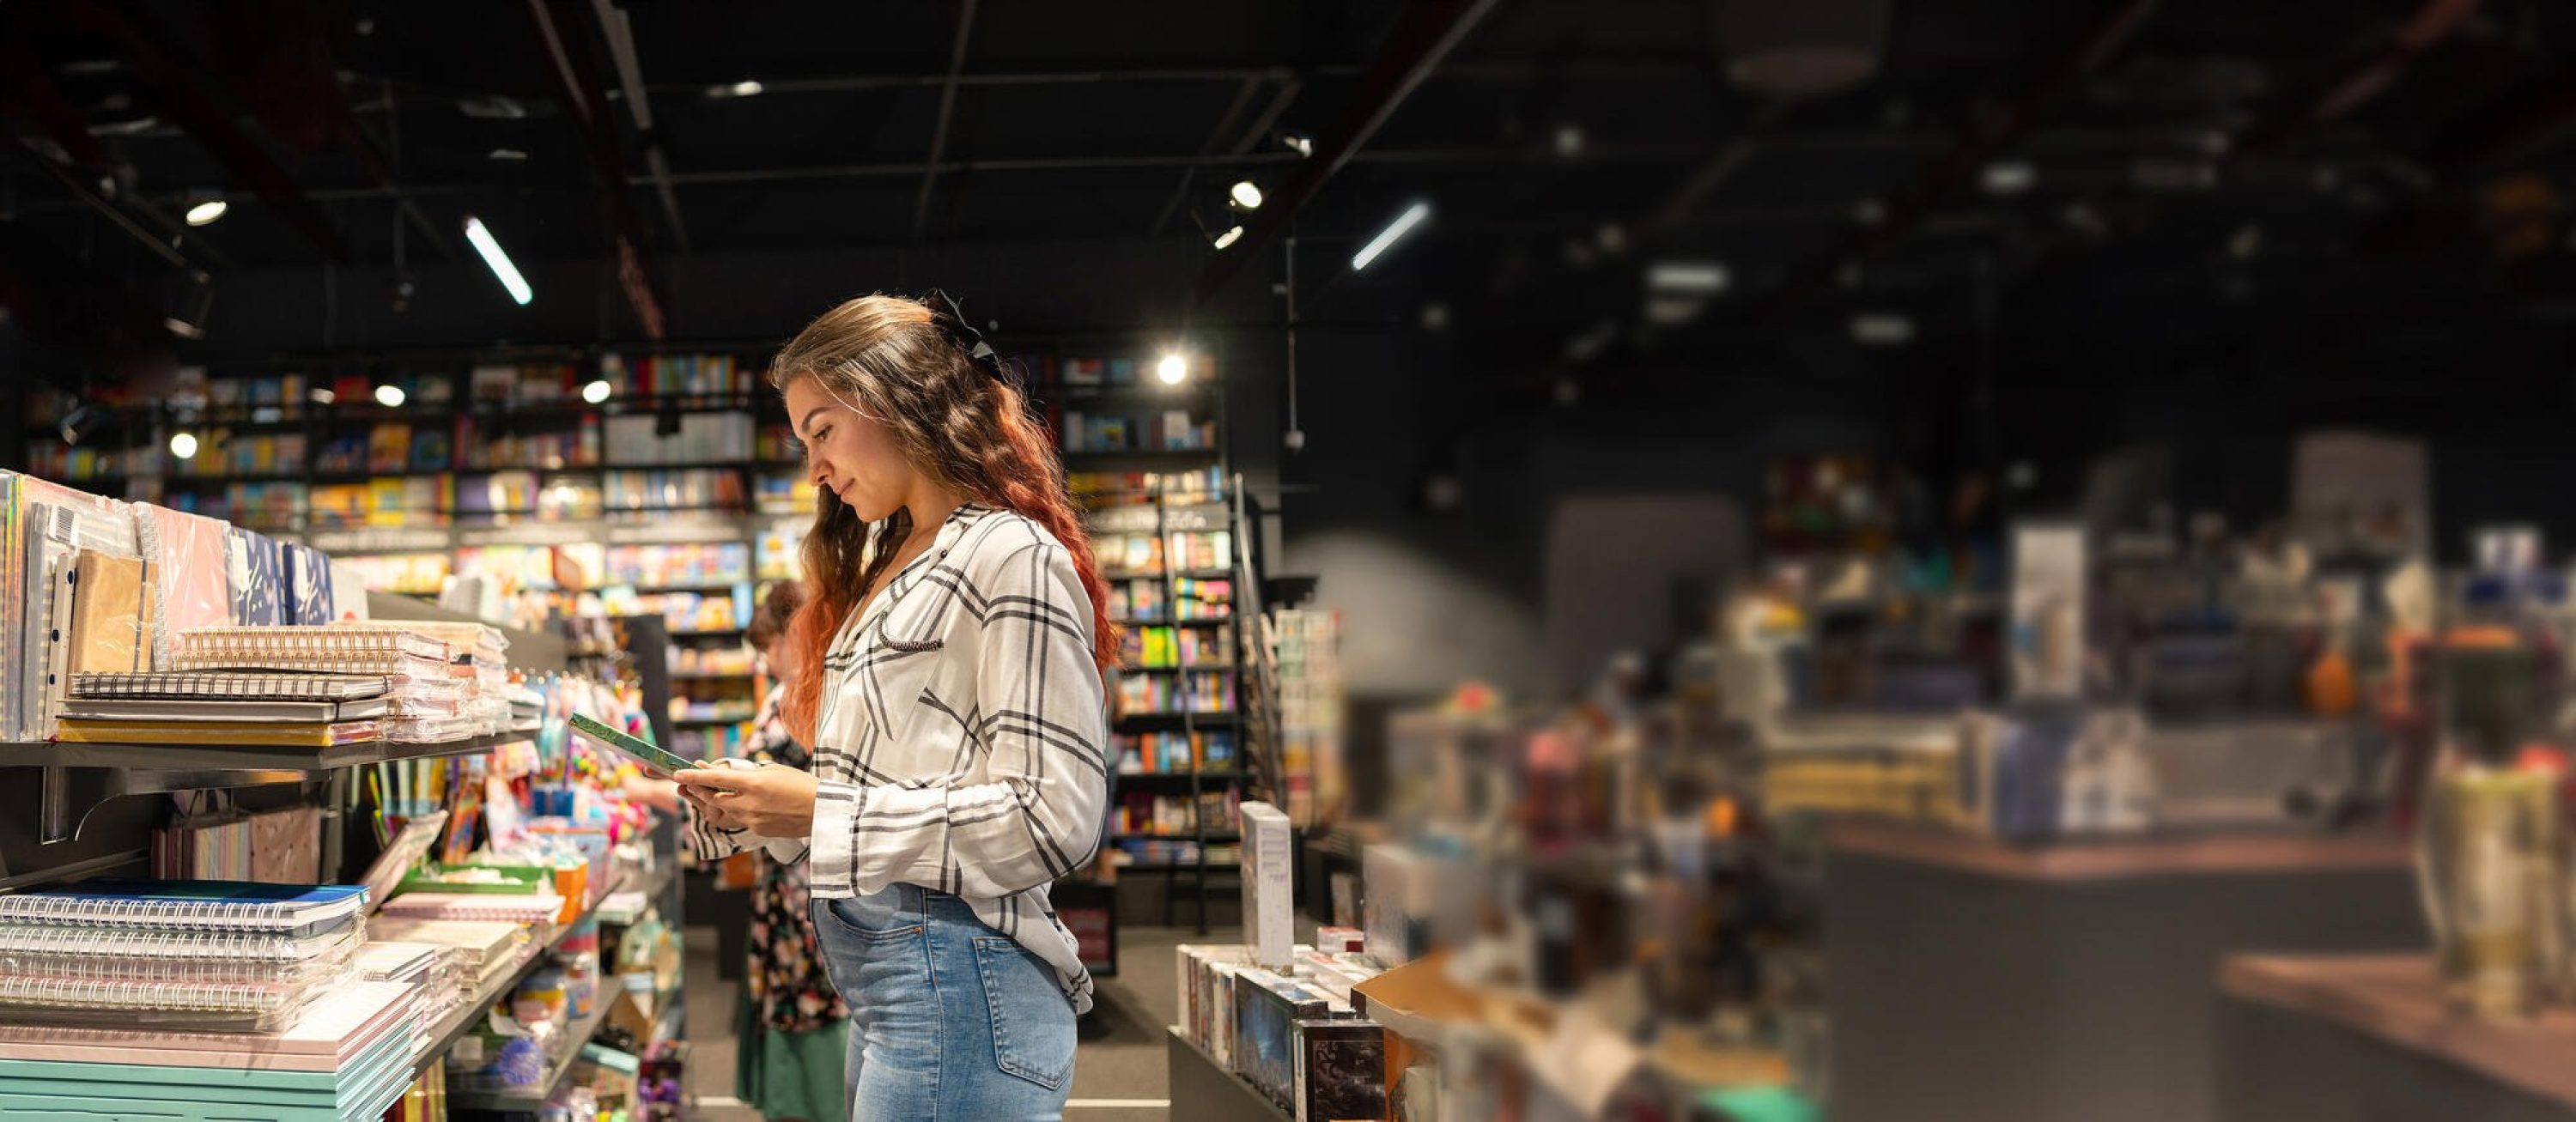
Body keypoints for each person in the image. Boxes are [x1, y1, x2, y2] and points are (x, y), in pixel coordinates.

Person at [672, 293, 1115, 1122]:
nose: (814, 468)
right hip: (897, 984)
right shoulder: (893, 563)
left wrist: (819, 808)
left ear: (891, 400)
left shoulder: (1008, 554)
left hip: (958, 978)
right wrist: (767, 808)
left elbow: (1054, 815)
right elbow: (897, 778)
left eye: (821, 430)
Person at [731, 579, 851, 1122]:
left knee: (806, 998)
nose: (768, 661)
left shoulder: (796, 697)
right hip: (812, 872)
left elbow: (749, 781)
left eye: (769, 647)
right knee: (816, 997)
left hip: (799, 877)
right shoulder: (823, 689)